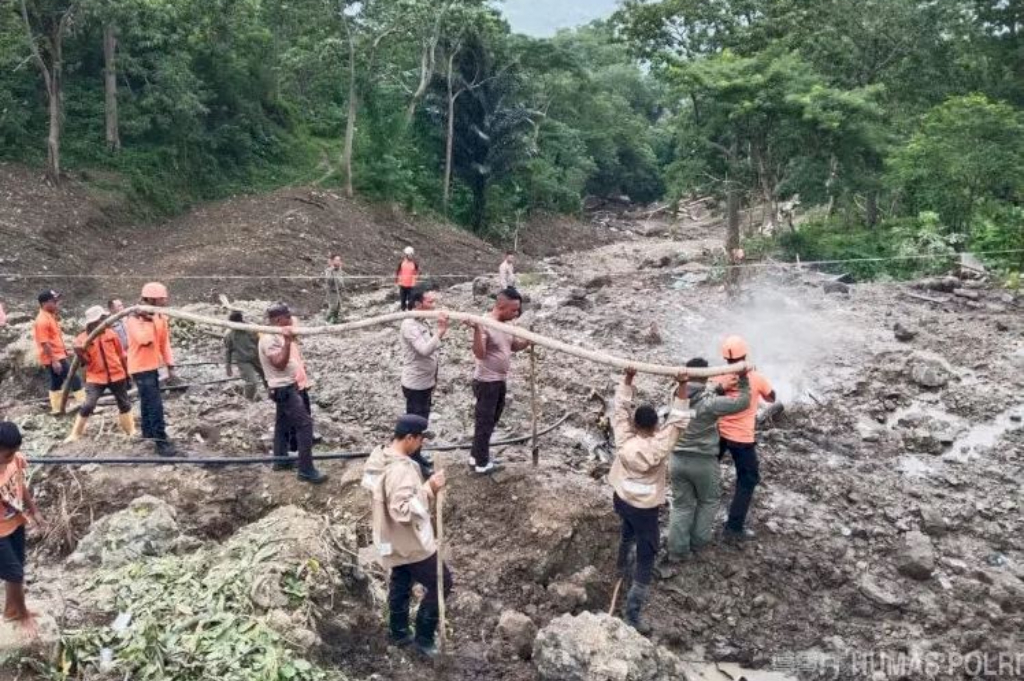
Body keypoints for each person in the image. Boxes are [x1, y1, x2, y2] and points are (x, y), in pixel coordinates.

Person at [609, 367, 690, 635]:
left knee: (627, 532)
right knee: (646, 555)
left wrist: (628, 379)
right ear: (656, 426)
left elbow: (620, 410)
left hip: (622, 500)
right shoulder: (658, 446)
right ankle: (632, 614)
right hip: (645, 509)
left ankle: (621, 569)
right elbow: (678, 421)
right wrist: (682, 386)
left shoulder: (624, 438)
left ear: (635, 425)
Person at [372, 414, 451, 658]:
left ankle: (398, 632)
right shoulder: (401, 470)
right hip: (410, 542)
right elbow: (402, 510)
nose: (421, 444)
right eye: (420, 439)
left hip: (390, 538)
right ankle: (424, 639)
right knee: (442, 581)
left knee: (402, 579)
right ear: (409, 438)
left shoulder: (380, 457)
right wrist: (429, 489)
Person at [665, 358, 751, 567]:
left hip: (676, 460)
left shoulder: (674, 395)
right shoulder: (710, 404)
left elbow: (697, 391)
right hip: (703, 462)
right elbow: (743, 402)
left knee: (681, 505)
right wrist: (743, 378)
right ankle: (698, 543)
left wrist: (717, 387)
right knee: (708, 501)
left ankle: (677, 551)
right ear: (706, 377)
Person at [714, 336, 776, 543]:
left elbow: (709, 395)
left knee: (708, 470)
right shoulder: (756, 378)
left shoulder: (719, 377)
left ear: (725, 357)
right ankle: (734, 527)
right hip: (742, 438)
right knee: (748, 479)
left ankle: (699, 511)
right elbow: (772, 398)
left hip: (719, 434)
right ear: (746, 355)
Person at [258, 303, 327, 484]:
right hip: (282, 388)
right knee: (305, 425)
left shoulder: (277, 333)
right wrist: (288, 342)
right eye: (287, 317)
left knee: (282, 424)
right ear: (278, 320)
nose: (290, 320)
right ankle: (306, 469)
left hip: (286, 386)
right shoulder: (268, 339)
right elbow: (279, 364)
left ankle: (280, 460)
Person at [467, 287, 531, 474]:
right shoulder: (485, 323)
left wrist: (528, 341)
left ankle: (476, 455)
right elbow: (479, 353)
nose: (516, 313)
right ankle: (481, 465)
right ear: (501, 306)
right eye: (514, 310)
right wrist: (477, 330)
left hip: (499, 381)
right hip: (486, 382)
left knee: (490, 421)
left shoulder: (506, 325)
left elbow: (513, 346)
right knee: (485, 422)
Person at [66, 306, 134, 442]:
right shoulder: (82, 339)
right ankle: (75, 434)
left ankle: (130, 431)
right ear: (94, 322)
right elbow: (85, 362)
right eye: (102, 319)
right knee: (88, 405)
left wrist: (127, 374)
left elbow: (121, 355)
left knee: (124, 403)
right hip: (95, 377)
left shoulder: (111, 334)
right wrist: (80, 353)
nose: (105, 321)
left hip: (117, 374)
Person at [400, 288, 448, 476]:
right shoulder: (409, 324)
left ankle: (417, 454)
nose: (433, 306)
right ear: (418, 304)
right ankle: (412, 461)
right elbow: (424, 350)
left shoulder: (422, 320)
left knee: (422, 422)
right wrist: (440, 332)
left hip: (426, 382)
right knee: (414, 424)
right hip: (415, 384)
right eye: (430, 302)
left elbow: (432, 348)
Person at [126, 282, 178, 457]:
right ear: (151, 299)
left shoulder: (160, 316)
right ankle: (161, 442)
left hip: (152, 365)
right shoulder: (133, 319)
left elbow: (164, 343)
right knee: (155, 403)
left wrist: (170, 365)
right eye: (161, 299)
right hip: (140, 367)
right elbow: (144, 340)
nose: (165, 301)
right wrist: (147, 320)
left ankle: (148, 432)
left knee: (147, 400)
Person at [0, 422, 44, 628]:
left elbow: (20, 484)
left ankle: (11, 610)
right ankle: (22, 615)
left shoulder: (14, 460)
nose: (11, 458)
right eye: (7, 455)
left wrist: (34, 511)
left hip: (16, 522)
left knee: (17, 567)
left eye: (13, 453)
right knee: (15, 573)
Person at [33, 290, 85, 415]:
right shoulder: (42, 320)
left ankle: (56, 408)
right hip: (53, 357)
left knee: (57, 382)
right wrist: (54, 360)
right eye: (54, 301)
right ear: (44, 303)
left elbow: (54, 339)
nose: (57, 303)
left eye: (57, 300)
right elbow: (44, 343)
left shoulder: (50, 316)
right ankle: (85, 405)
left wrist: (65, 351)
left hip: (57, 355)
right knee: (74, 378)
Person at [224, 311, 265, 401]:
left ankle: (271, 395)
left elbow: (261, 341)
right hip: (243, 361)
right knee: (252, 382)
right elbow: (228, 350)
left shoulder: (251, 328)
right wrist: (228, 366)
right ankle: (248, 400)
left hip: (256, 357)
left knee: (267, 376)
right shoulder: (229, 334)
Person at [323, 254, 346, 324]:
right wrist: (331, 271)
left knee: (338, 307)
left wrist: (342, 287)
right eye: (337, 260)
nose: (338, 261)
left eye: (339, 260)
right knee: (333, 307)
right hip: (332, 292)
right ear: (333, 261)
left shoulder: (339, 270)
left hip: (339, 291)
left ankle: (335, 320)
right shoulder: (329, 270)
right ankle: (326, 320)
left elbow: (341, 279)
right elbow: (328, 281)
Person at [396, 247, 419, 311]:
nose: (411, 256)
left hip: (411, 286)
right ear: (406, 255)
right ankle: (403, 312)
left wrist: (415, 279)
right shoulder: (401, 263)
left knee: (411, 302)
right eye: (410, 254)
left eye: (412, 255)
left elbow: (417, 273)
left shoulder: (414, 264)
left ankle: (410, 312)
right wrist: (398, 281)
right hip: (403, 285)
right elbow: (398, 273)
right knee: (403, 301)